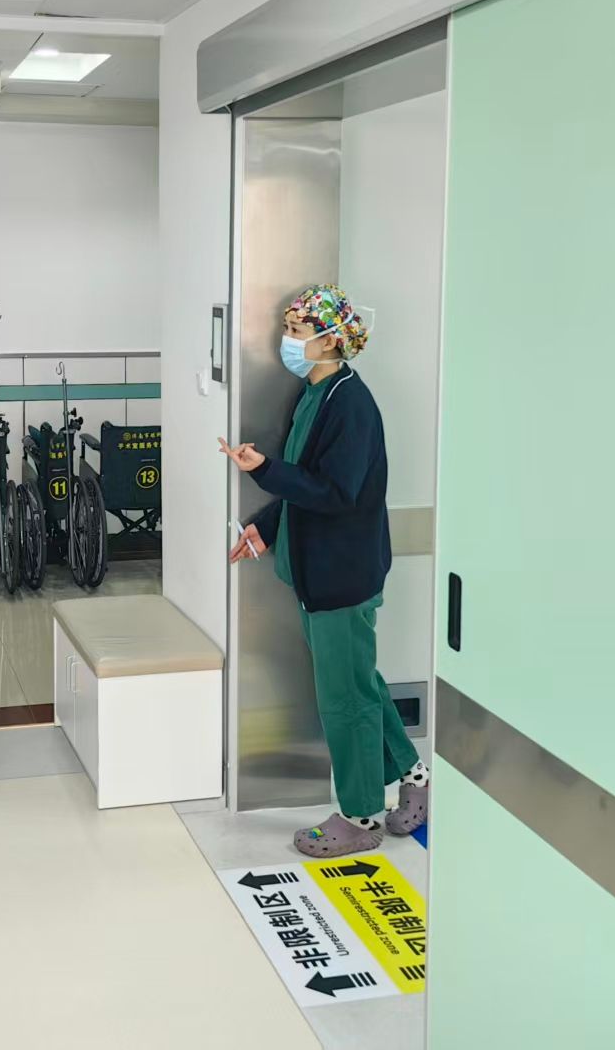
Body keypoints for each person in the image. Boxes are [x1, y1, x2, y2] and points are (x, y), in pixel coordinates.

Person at [220, 284, 429, 857]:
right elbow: (304, 481)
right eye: (287, 328)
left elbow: (336, 492)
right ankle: (414, 778)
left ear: (332, 339)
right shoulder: (312, 393)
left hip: (342, 577)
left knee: (347, 700)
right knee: (359, 684)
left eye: (296, 330)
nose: (287, 339)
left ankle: (360, 818)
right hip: (314, 574)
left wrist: (263, 470)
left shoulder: (350, 404)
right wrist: (266, 526)